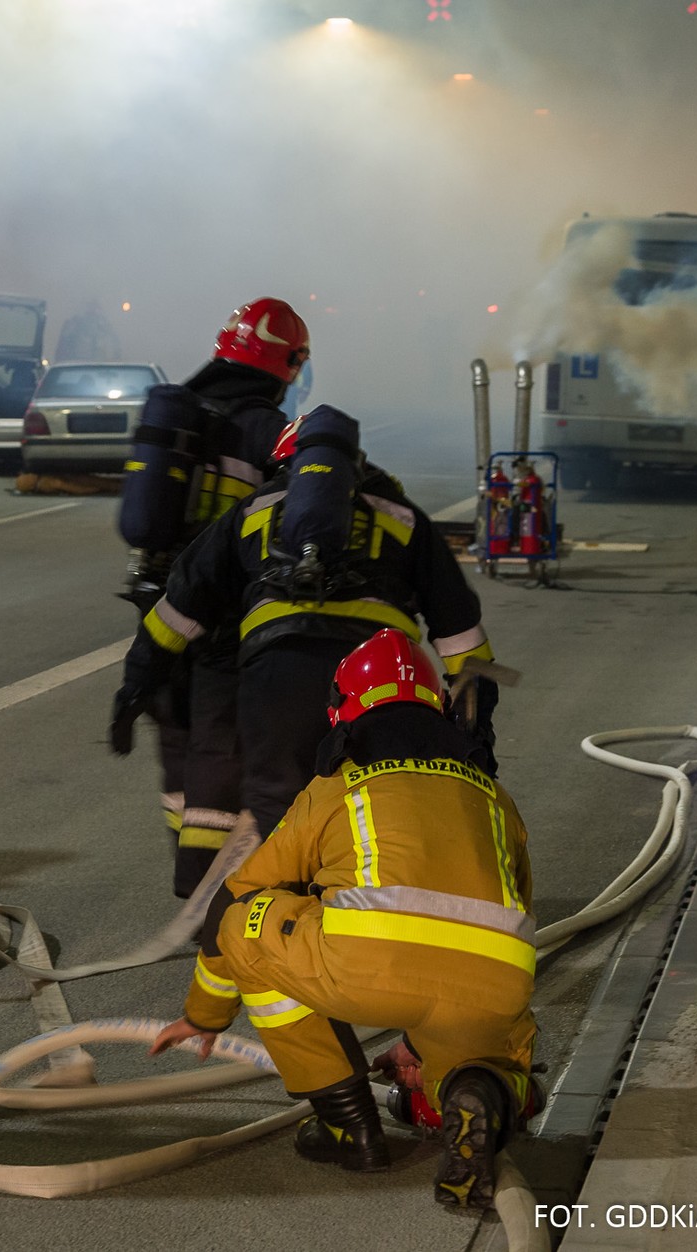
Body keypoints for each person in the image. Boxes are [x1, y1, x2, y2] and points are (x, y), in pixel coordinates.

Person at [150, 628, 536, 1210]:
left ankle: (347, 1125)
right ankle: (479, 1088)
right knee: (487, 1053)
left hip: (363, 969)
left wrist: (204, 1016)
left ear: (342, 712)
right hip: (491, 987)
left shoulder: (337, 786)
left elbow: (237, 891)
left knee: (247, 918)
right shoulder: (494, 796)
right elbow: (512, 910)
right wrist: (419, 1038)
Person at [113, 407, 496, 840]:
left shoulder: (254, 509)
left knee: (279, 807)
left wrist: (137, 684)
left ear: (287, 464)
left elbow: (179, 609)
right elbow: (462, 633)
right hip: (376, 678)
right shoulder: (404, 516)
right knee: (379, 800)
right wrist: (477, 721)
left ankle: (287, 881)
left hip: (278, 672)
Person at [116, 299, 307, 895]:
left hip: (159, 607)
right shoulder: (265, 429)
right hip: (226, 617)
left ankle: (191, 873)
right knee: (221, 749)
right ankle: (212, 897)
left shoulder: (181, 415)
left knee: (177, 743)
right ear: (287, 364)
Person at [56, 300, 120, 362]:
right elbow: (65, 343)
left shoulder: (104, 325)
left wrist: (115, 357)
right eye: (90, 309)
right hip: (80, 361)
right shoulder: (75, 323)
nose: (92, 311)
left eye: (94, 309)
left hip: (100, 361)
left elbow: (114, 342)